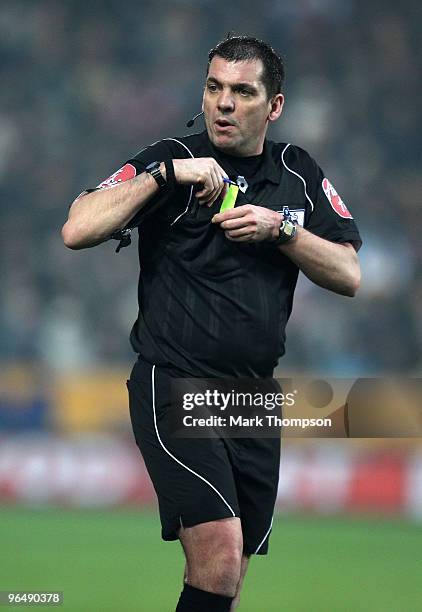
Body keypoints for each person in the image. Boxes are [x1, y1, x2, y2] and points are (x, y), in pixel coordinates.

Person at [62, 35, 362, 612]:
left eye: (242, 92)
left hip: (252, 395)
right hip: (175, 381)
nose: (223, 103)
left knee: (226, 580)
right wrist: (166, 174)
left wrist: (283, 231)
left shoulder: (297, 175)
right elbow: (76, 229)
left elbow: (349, 273)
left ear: (273, 107)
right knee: (220, 555)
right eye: (214, 87)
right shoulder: (171, 158)